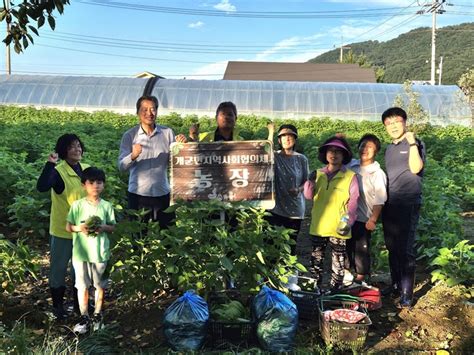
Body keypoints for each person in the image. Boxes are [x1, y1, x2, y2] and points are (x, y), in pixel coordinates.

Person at [36, 134, 89, 319]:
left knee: (80, 271)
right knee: (58, 269)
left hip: (84, 231)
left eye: (79, 146)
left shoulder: (87, 170)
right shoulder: (58, 172)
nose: (77, 150)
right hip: (62, 231)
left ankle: (78, 306)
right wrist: (50, 164)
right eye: (72, 147)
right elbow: (42, 186)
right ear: (63, 151)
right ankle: (58, 307)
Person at [381, 107, 425, 308]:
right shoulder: (389, 149)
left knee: (405, 248)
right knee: (392, 247)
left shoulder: (416, 144)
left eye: (397, 121)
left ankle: (407, 294)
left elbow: (416, 168)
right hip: (390, 203)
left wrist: (412, 142)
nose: (393, 126)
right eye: (388, 123)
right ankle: (396, 285)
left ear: (405, 122)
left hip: (408, 202)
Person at [303, 135, 359, 293]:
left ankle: (335, 291)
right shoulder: (318, 174)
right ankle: (316, 290)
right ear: (325, 154)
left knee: (338, 262)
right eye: (330, 151)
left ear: (344, 155)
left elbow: (353, 201)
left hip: (339, 227)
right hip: (319, 225)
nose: (333, 154)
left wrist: (348, 222)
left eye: (338, 152)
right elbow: (308, 196)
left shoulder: (350, 176)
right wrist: (310, 182)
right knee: (316, 260)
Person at [66, 167, 116, 334]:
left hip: (100, 252)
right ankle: (84, 317)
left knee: (99, 285)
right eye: (91, 182)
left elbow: (113, 227)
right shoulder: (77, 205)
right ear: (83, 185)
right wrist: (81, 228)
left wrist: (102, 227)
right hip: (80, 253)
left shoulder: (107, 206)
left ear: (103, 185)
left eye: (99, 182)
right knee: (82, 286)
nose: (95, 186)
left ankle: (97, 315)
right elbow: (69, 227)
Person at [118, 95, 176, 228]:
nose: (149, 113)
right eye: (144, 109)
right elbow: (121, 166)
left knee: (167, 234)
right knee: (138, 235)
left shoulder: (167, 133)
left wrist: (184, 144)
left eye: (153, 109)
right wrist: (132, 156)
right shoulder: (129, 136)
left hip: (162, 193)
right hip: (138, 195)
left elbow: (175, 162)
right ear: (137, 112)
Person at [346, 134, 387, 283]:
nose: (365, 149)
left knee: (361, 249)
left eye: (370, 147)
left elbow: (380, 199)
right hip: (347, 216)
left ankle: (361, 279)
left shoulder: (377, 173)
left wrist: (373, 219)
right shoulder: (352, 166)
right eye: (363, 145)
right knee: (345, 245)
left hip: (364, 218)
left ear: (376, 151)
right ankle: (347, 276)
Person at [267, 124, 309, 255]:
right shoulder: (275, 156)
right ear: (278, 140)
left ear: (295, 139)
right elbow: (266, 149)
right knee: (272, 244)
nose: (286, 138)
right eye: (283, 136)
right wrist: (271, 132)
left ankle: (290, 274)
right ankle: (272, 273)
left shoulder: (301, 159)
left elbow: (306, 181)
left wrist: (298, 190)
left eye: (290, 135)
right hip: (276, 207)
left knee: (290, 244)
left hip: (294, 209)